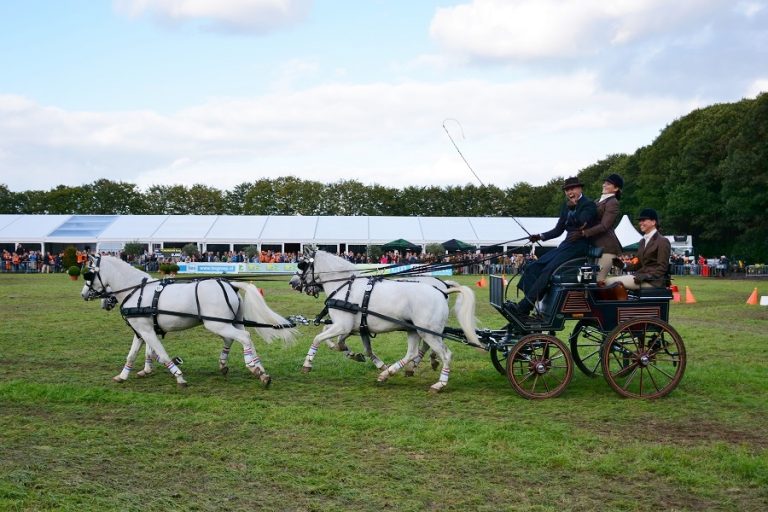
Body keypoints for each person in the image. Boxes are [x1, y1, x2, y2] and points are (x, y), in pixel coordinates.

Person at [510, 176, 598, 317]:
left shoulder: (588, 205)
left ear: (580, 188)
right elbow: (558, 230)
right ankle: (530, 303)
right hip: (566, 245)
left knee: (549, 269)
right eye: (567, 190)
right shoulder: (566, 206)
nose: (570, 192)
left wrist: (575, 207)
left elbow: (583, 222)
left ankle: (525, 306)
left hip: (579, 246)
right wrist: (540, 236)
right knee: (534, 266)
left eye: (573, 189)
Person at [606, 208, 671, 289]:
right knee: (605, 282)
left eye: (643, 220)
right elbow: (637, 263)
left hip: (654, 281)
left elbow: (662, 267)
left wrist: (647, 276)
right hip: (640, 277)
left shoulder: (663, 241)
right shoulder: (642, 241)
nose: (640, 223)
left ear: (653, 222)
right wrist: (623, 265)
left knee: (608, 282)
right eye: (640, 221)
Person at [582, 173, 623, 284]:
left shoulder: (613, 202)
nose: (604, 185)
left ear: (616, 188)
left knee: (599, 281)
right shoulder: (597, 201)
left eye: (608, 184)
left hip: (607, 248)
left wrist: (585, 232)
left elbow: (605, 225)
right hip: (594, 246)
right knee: (589, 281)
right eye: (604, 183)